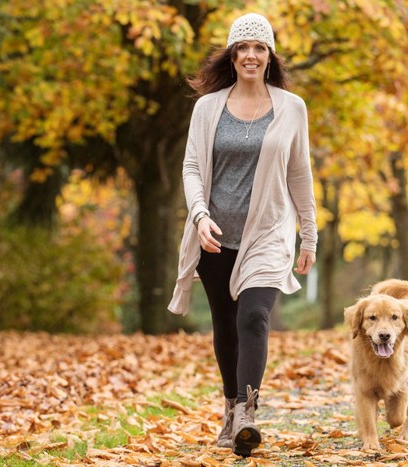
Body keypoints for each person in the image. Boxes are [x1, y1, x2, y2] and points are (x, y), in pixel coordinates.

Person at [168, 12, 318, 458]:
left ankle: (248, 414)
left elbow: (300, 173)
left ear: (270, 56)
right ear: (232, 56)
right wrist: (198, 216)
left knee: (253, 317)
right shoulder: (207, 107)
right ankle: (230, 407)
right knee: (225, 326)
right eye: (243, 48)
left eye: (260, 47)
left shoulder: (292, 108)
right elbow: (192, 167)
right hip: (215, 233)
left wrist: (308, 235)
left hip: (269, 232)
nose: (251, 55)